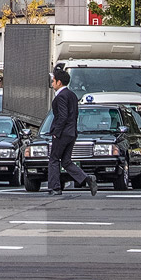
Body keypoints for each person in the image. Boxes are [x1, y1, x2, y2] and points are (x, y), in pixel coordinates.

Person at [46, 68, 97, 196]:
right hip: (71, 132)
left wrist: (56, 132)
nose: (52, 84)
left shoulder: (61, 96)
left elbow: (62, 116)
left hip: (62, 133)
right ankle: (87, 178)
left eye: (53, 81)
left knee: (54, 159)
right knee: (66, 161)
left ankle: (55, 187)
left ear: (59, 82)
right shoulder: (72, 95)